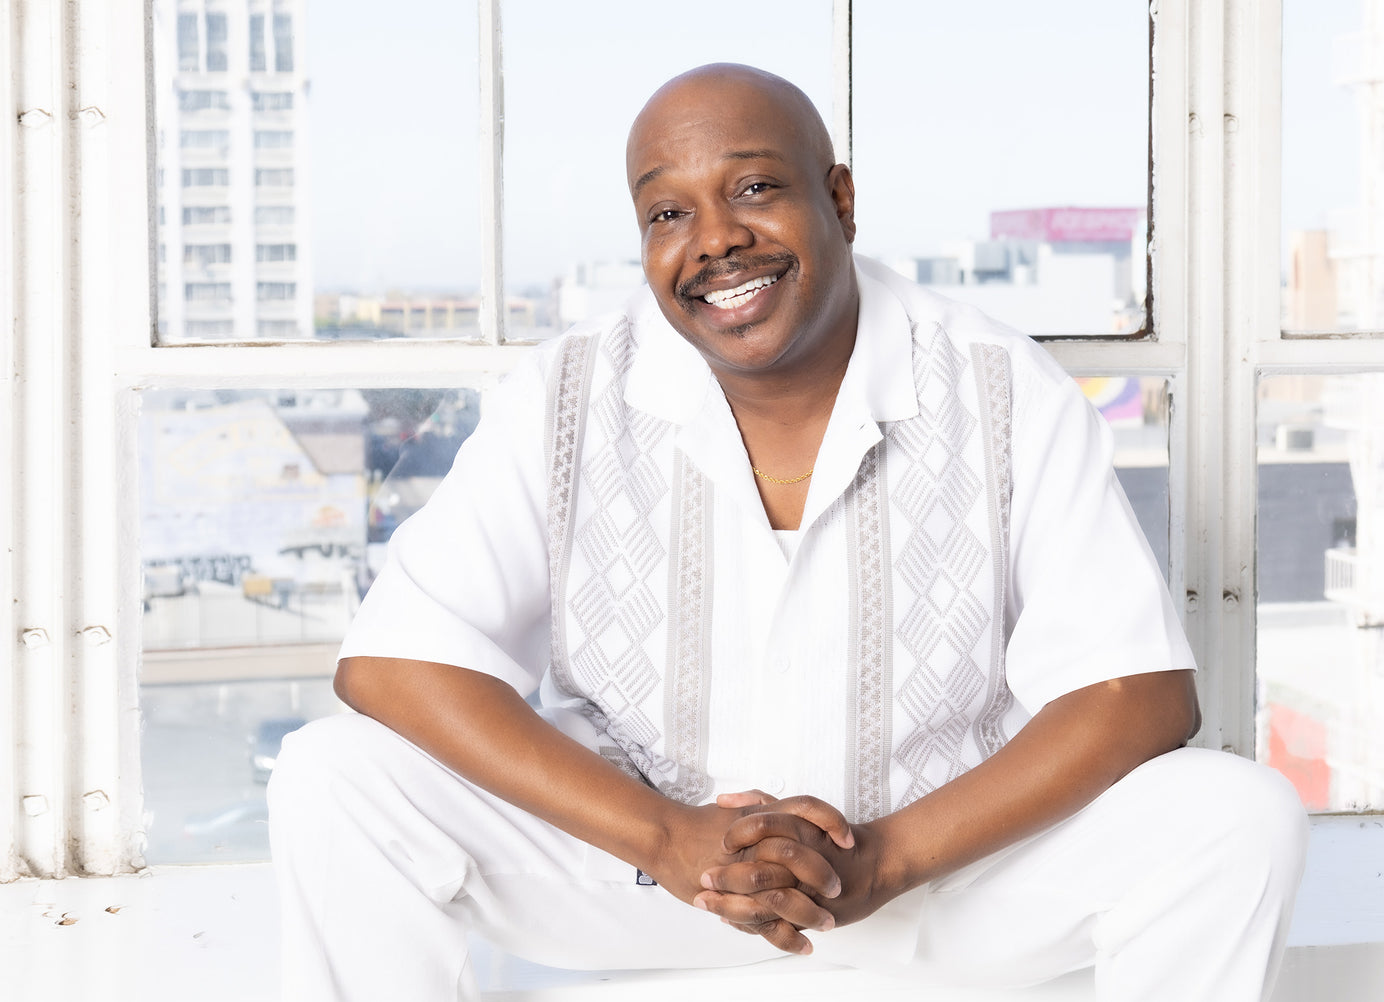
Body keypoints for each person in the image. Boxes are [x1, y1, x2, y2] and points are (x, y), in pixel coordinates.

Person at [269, 63, 1307, 1001]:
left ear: (840, 201)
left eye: (754, 188)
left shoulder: (997, 384)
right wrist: (671, 836)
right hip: (650, 881)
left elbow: (1138, 696)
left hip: (938, 890)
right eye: (668, 211)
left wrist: (885, 859)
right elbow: (396, 666)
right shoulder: (568, 392)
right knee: (333, 779)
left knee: (1236, 817)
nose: (714, 238)